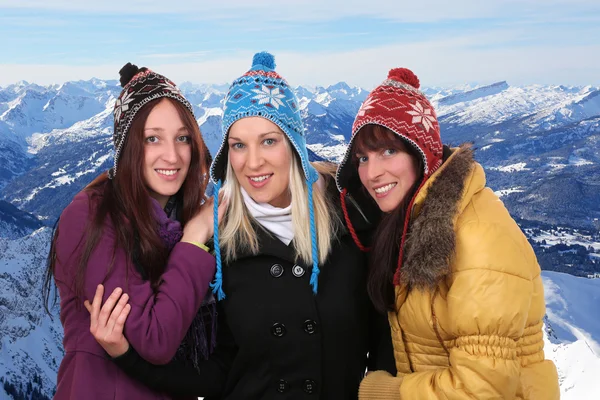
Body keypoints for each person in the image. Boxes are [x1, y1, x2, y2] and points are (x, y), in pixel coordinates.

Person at [85, 51, 395, 399]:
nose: (253, 162)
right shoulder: (219, 243)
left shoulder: (353, 218)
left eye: (268, 141)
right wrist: (126, 356)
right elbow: (218, 371)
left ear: (293, 146)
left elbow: (392, 335)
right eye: (238, 145)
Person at [335, 67, 560, 399]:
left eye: (389, 151)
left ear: (420, 154)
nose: (371, 172)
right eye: (363, 158)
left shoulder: (477, 238)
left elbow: (482, 389)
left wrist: (388, 393)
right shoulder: (412, 220)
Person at [43, 63, 223, 399]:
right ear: (127, 147)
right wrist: (195, 239)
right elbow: (155, 338)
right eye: (152, 138)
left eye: (182, 138)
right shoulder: (90, 217)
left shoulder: (179, 215)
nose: (172, 155)